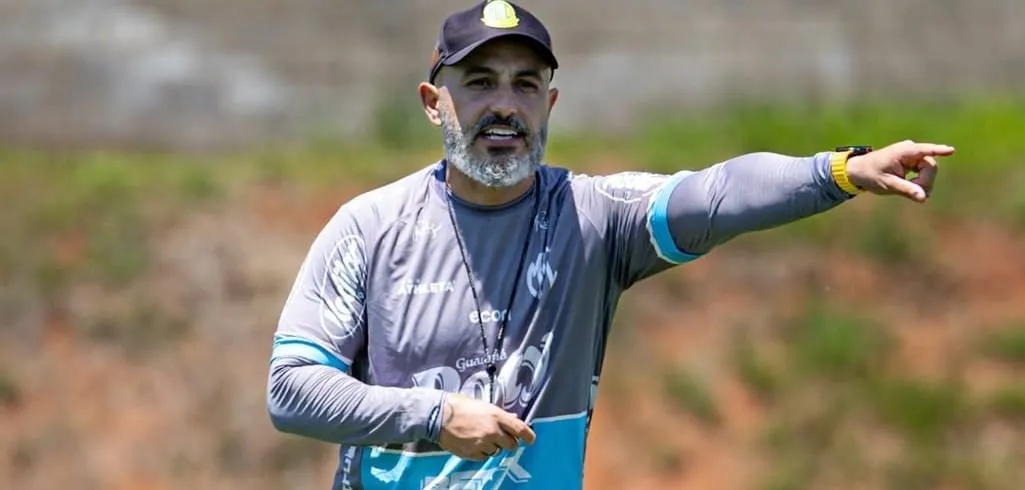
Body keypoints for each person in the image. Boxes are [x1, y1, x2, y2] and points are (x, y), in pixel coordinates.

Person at [265, 0, 955, 488]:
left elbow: (719, 192)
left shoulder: (594, 216)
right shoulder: (369, 228)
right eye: (479, 83)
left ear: (549, 104)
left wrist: (840, 170)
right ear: (431, 102)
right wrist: (435, 416)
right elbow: (291, 388)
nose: (504, 104)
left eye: (525, 85)